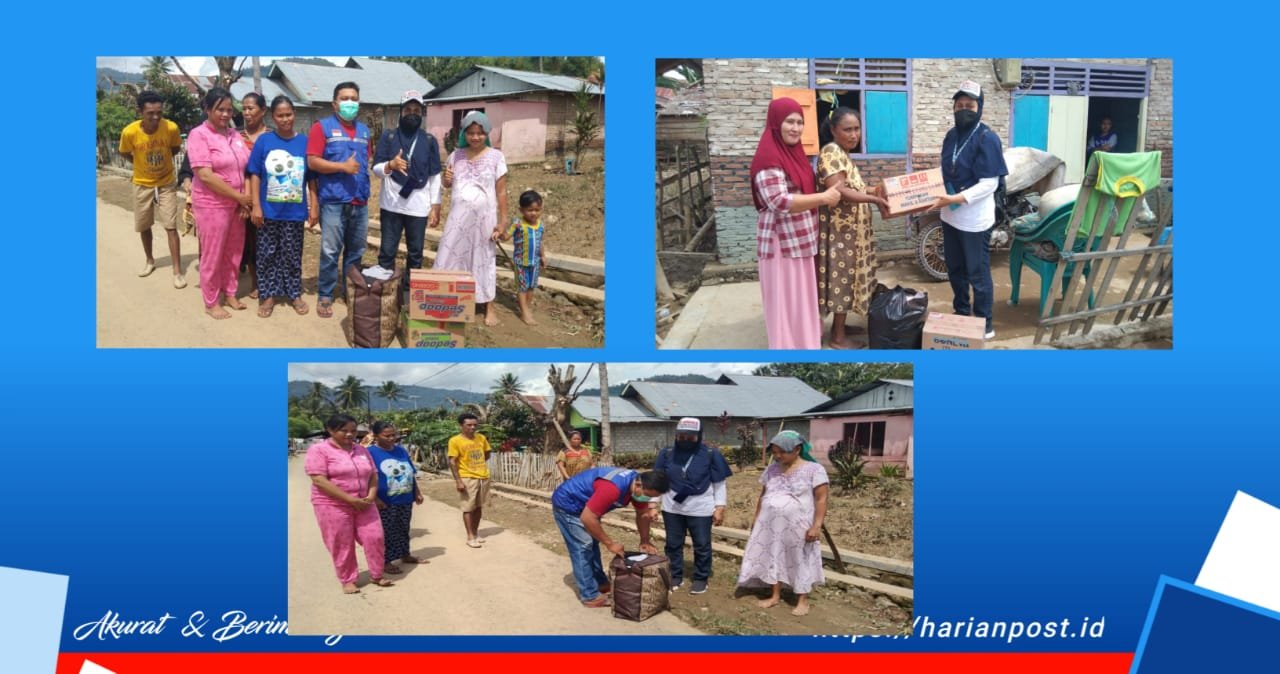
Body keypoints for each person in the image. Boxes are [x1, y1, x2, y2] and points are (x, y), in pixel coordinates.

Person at [750, 98, 843, 349]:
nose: (796, 128)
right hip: (781, 243)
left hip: (800, 239)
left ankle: (805, 343)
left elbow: (804, 188)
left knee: (800, 299)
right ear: (775, 123)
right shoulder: (768, 157)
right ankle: (786, 348)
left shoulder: (795, 153)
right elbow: (778, 200)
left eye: (800, 122)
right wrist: (824, 198)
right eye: (789, 122)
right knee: (785, 299)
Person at [929, 80, 1008, 340]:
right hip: (949, 215)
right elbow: (942, 171)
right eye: (959, 105)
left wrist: (960, 197)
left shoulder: (987, 138)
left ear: (980, 107)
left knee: (977, 272)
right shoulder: (951, 136)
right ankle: (962, 312)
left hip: (974, 219)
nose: (963, 110)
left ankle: (985, 322)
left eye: (969, 105)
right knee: (955, 269)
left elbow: (989, 183)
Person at [816, 108, 890, 349]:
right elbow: (840, 190)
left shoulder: (844, 155)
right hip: (841, 235)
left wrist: (875, 190)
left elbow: (856, 187)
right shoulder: (830, 152)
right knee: (843, 283)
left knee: (852, 281)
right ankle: (838, 337)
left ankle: (842, 326)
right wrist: (875, 200)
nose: (853, 134)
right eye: (847, 129)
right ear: (833, 130)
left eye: (856, 129)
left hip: (853, 235)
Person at [737, 430, 829, 616]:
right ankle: (775, 595)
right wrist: (756, 520)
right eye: (775, 452)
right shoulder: (771, 470)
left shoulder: (814, 469)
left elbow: (821, 499)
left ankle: (802, 600)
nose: (777, 456)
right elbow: (763, 496)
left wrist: (816, 525)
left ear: (796, 449)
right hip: (770, 525)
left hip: (799, 526)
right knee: (773, 556)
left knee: (799, 558)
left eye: (782, 452)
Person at [550, 467, 669, 607]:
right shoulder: (613, 488)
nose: (647, 499)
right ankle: (589, 596)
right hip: (569, 505)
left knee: (592, 544)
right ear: (638, 485)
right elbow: (588, 518)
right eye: (647, 495)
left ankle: (600, 583)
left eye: (650, 497)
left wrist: (644, 540)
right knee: (583, 547)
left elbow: (642, 514)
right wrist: (610, 543)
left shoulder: (638, 486)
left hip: (587, 507)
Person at [304, 414, 394, 594]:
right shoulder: (319, 450)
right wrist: (349, 499)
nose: (349, 434)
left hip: (364, 502)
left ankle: (376, 574)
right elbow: (319, 479)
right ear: (330, 430)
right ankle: (348, 579)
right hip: (332, 504)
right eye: (343, 430)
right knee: (341, 543)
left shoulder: (361, 450)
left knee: (374, 537)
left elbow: (373, 475)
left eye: (353, 431)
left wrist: (370, 496)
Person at [434, 111, 508, 327]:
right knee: (450, 256)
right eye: (471, 133)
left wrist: (503, 222)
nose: (475, 137)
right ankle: (447, 302)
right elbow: (447, 185)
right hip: (458, 219)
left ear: (486, 133)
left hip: (484, 221)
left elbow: (502, 192)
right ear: (464, 133)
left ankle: (488, 306)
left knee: (484, 260)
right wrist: (446, 180)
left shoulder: (496, 157)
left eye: (480, 133)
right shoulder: (455, 156)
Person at [247, 95, 318, 317]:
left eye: (289, 114)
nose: (285, 119)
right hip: (268, 212)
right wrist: (256, 206)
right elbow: (255, 174)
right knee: (267, 254)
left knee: (292, 254)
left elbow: (312, 178)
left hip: (295, 212)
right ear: (273, 117)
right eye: (280, 115)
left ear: (294, 114)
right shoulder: (264, 142)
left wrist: (314, 206)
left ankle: (294, 293)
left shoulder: (304, 143)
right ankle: (268, 296)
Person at [187, 87, 254, 319]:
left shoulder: (235, 135)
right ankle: (211, 301)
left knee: (234, 251)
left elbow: (245, 166)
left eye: (228, 109)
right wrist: (239, 197)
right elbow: (204, 174)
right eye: (220, 109)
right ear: (208, 109)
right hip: (212, 204)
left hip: (237, 204)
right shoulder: (199, 135)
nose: (226, 114)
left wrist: (244, 200)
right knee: (213, 254)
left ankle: (231, 292)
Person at [307, 81, 372, 319]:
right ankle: (325, 293)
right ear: (335, 104)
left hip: (360, 201)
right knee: (330, 250)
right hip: (333, 201)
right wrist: (342, 167)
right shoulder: (321, 128)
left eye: (354, 98)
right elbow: (312, 161)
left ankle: (349, 290)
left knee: (356, 252)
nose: (350, 103)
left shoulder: (365, 131)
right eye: (344, 98)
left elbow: (366, 163)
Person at [372, 90, 442, 288]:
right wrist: (390, 166)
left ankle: (410, 292)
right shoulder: (389, 136)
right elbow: (376, 170)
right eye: (408, 109)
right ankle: (385, 294)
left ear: (422, 113)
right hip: (391, 205)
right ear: (401, 112)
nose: (412, 114)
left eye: (417, 110)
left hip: (418, 206)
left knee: (415, 252)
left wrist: (436, 204)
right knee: (387, 251)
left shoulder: (429, 141)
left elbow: (434, 175)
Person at [654, 417, 730, 594]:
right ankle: (675, 575)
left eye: (690, 438)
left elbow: (719, 483)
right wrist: (652, 504)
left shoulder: (711, 454)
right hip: (672, 506)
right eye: (681, 437)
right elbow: (658, 480)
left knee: (702, 544)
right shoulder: (667, 453)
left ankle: (701, 578)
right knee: (673, 544)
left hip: (701, 507)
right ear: (676, 436)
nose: (685, 441)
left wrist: (719, 508)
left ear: (699, 436)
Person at [118, 91, 186, 288]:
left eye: (159, 112)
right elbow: (124, 152)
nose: (155, 117)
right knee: (144, 224)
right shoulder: (129, 132)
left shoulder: (170, 127)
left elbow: (174, 149)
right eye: (150, 113)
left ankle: (177, 271)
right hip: (141, 182)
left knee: (170, 225)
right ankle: (150, 260)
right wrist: (139, 164)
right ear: (140, 112)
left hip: (166, 182)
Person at [367, 421, 426, 574]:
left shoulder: (401, 450)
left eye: (394, 435)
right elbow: (365, 478)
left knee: (403, 528)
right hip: (385, 501)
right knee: (386, 532)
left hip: (405, 498)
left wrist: (416, 492)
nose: (392, 438)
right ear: (375, 436)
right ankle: (385, 561)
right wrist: (375, 499)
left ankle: (405, 554)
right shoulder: (370, 453)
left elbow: (409, 473)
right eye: (387, 436)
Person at [501, 190, 548, 325]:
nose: (533, 213)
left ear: (541, 209)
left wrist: (543, 256)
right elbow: (506, 237)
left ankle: (526, 307)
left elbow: (540, 242)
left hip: (535, 262)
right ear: (521, 210)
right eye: (530, 210)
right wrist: (499, 233)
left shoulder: (540, 225)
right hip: (521, 262)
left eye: (537, 210)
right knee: (522, 286)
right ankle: (525, 312)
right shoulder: (517, 224)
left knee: (531, 286)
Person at [239, 93, 269, 300]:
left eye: (251, 108)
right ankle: (255, 282)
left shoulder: (271, 137)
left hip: (268, 197)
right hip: (242, 197)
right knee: (250, 242)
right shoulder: (235, 137)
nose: (247, 112)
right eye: (244, 108)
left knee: (266, 242)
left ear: (263, 111)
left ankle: (270, 280)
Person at [447, 412, 492, 548]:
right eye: (469, 425)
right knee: (468, 508)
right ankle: (470, 536)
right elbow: (452, 461)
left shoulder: (481, 438)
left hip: (482, 476)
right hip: (467, 477)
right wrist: (459, 481)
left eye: (474, 425)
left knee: (478, 506)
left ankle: (476, 532)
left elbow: (487, 453)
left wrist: (478, 465)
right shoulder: (455, 441)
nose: (472, 428)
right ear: (461, 425)